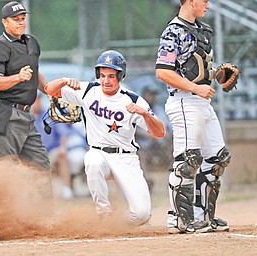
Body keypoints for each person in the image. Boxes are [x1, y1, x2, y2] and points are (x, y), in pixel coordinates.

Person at [44, 50, 166, 226]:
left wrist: (145, 115)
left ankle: (114, 226)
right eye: (102, 75)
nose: (106, 81)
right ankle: (104, 214)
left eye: (111, 76)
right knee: (92, 161)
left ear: (121, 76)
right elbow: (50, 90)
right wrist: (63, 81)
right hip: (99, 153)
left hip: (126, 158)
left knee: (142, 215)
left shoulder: (133, 100)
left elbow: (159, 132)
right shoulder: (88, 90)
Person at [155, 0, 231, 234]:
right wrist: (195, 88)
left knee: (219, 158)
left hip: (202, 102)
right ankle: (180, 219)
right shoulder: (173, 32)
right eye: (204, 1)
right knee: (188, 161)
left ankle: (203, 216)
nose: (207, 4)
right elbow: (163, 71)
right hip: (184, 101)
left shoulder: (202, 30)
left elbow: (196, 68)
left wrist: (217, 76)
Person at [0, 1, 50, 170]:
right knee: (6, 166)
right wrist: (18, 77)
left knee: (41, 165)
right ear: (5, 22)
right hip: (6, 113)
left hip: (26, 115)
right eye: (15, 19)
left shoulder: (32, 42)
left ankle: (43, 198)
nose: (20, 22)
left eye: (23, 18)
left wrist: (48, 90)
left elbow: (34, 72)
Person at [32, 94, 75, 199]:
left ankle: (66, 190)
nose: (37, 102)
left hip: (51, 151)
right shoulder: (26, 117)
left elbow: (63, 134)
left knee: (62, 155)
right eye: (34, 100)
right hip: (34, 154)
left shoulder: (49, 115)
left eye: (38, 99)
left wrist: (63, 147)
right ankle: (32, 193)